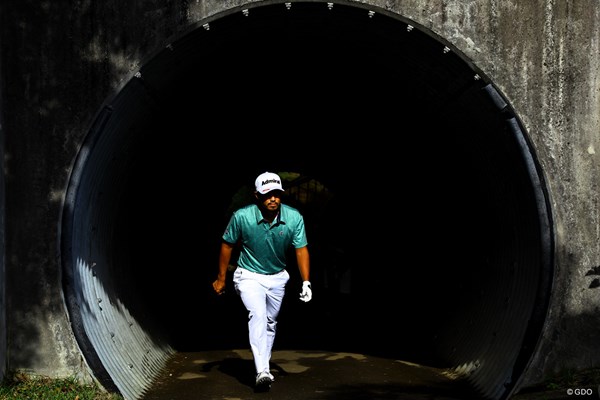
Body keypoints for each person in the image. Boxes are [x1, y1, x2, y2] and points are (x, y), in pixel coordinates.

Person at [212, 171, 312, 392]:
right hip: (248, 275)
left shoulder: (294, 218)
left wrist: (306, 282)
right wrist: (221, 279)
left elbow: (301, 249)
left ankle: (263, 367)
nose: (273, 199)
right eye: (268, 195)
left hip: (277, 277)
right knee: (257, 315)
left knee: (270, 322)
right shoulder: (242, 216)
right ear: (257, 196)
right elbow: (226, 245)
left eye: (277, 194)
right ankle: (262, 371)